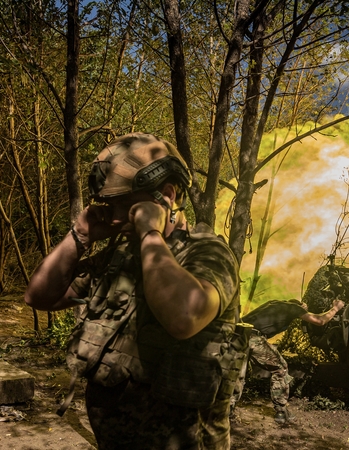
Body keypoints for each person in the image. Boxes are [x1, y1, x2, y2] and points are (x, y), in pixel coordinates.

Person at [24, 133, 245, 449]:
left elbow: (185, 317)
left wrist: (150, 232)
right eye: (109, 206)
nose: (114, 217)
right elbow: (40, 296)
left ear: (166, 195)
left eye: (125, 205)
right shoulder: (124, 255)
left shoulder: (208, 254)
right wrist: (80, 235)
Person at [230, 298, 345, 424]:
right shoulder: (292, 308)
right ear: (300, 306)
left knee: (237, 373)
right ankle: (281, 411)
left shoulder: (273, 303)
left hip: (236, 335)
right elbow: (320, 320)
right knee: (281, 368)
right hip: (253, 337)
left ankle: (227, 410)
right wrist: (336, 308)